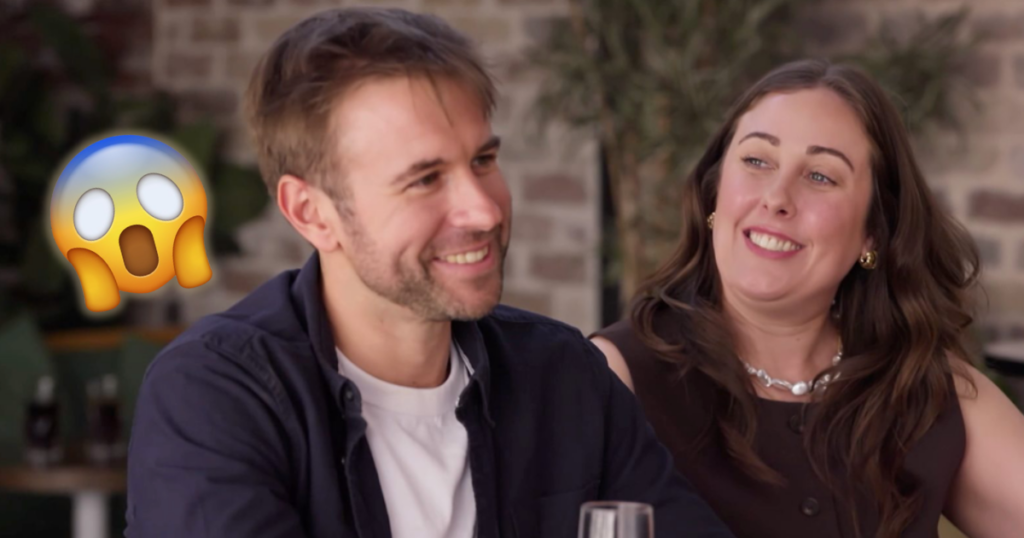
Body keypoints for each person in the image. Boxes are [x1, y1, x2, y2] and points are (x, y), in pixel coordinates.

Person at [124, 7, 734, 538]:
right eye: (424, 179)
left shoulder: (563, 376)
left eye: (483, 160)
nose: (484, 210)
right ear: (312, 213)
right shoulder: (215, 396)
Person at [591, 58, 1024, 538]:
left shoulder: (926, 387)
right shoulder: (612, 377)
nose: (777, 197)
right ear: (714, 193)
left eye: (820, 176)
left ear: (873, 232)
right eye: (757, 161)